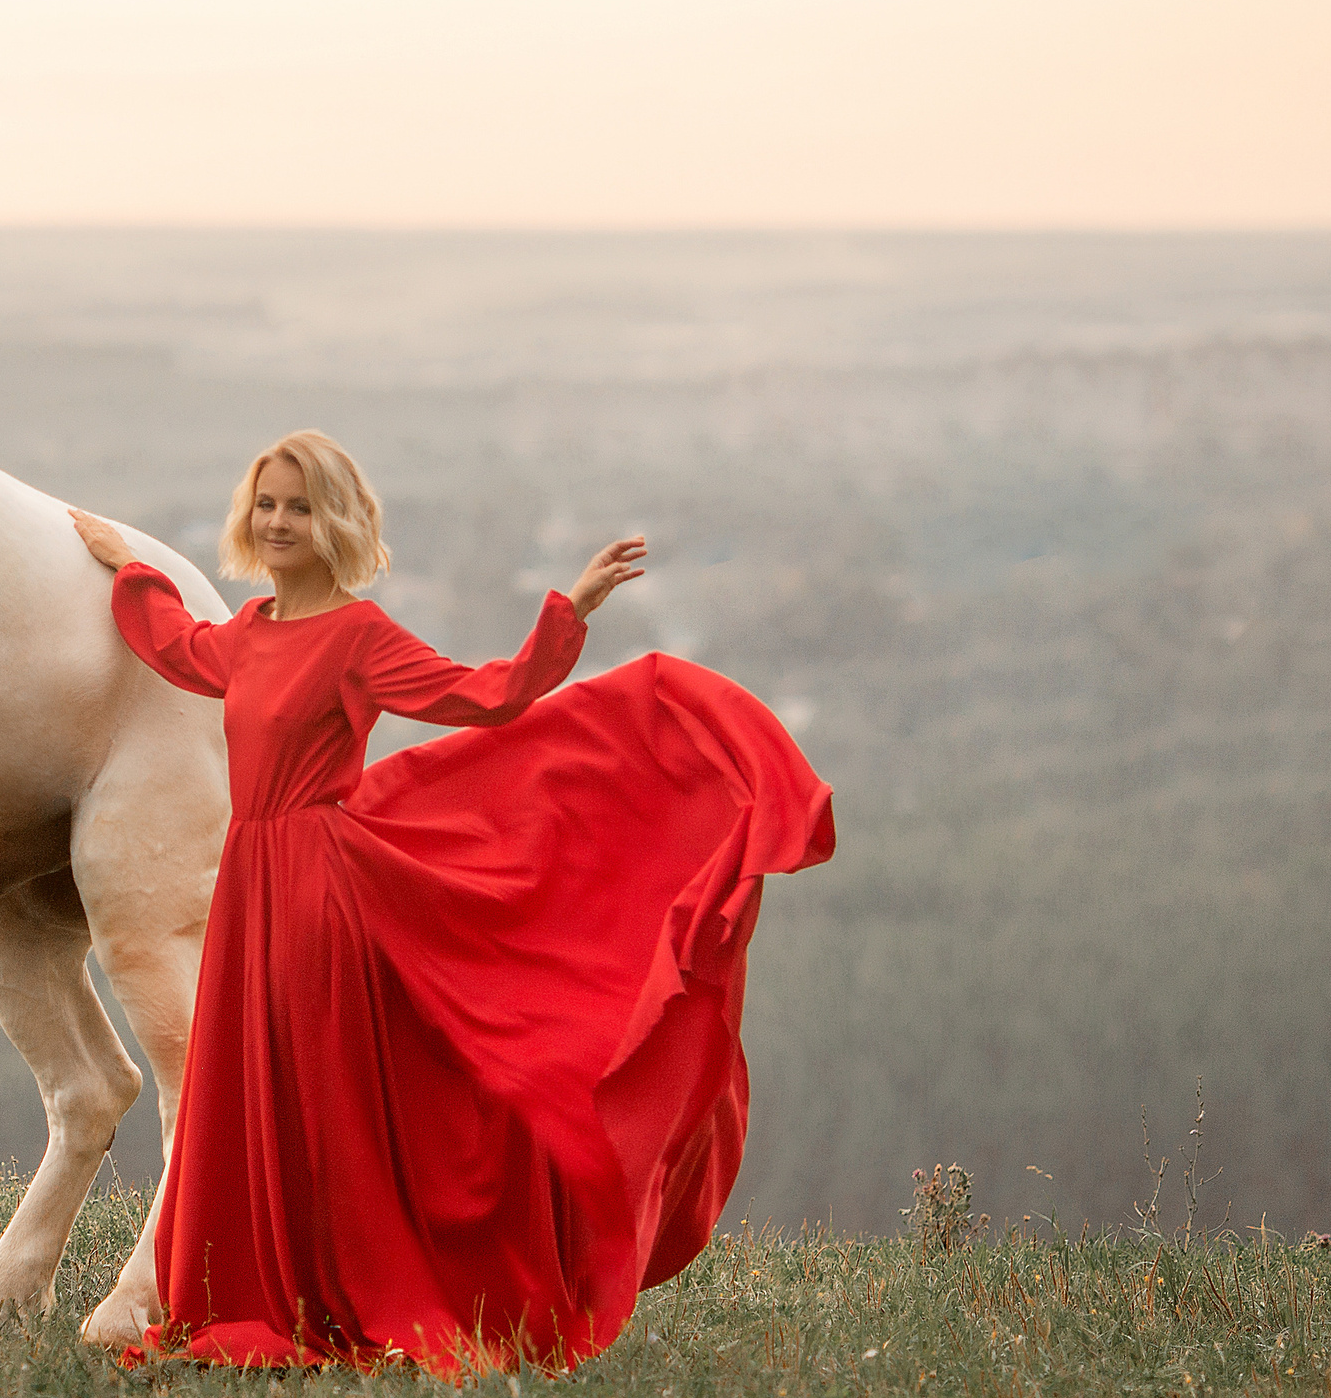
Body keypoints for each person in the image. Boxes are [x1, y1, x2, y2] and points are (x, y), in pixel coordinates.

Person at [68, 430, 833, 1375]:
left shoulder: (358, 637)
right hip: (249, 883)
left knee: (313, 1094)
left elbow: (489, 697)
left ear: (334, 520)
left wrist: (568, 614)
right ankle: (254, 1289)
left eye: (299, 506)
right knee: (252, 1082)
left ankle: (337, 1291)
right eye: (266, 504)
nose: (277, 522)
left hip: (314, 893)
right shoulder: (251, 631)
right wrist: (131, 572)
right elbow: (181, 648)